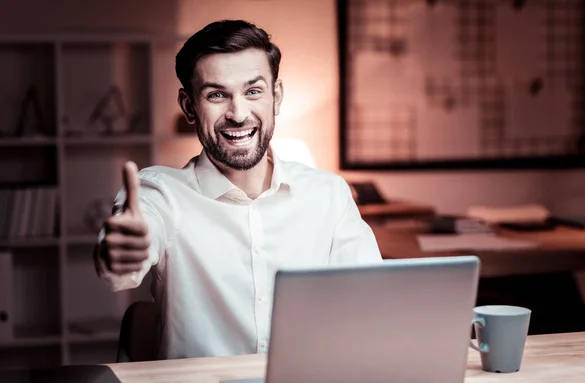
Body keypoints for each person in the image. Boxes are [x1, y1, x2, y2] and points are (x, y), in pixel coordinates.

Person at [93, 19, 382, 360]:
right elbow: (125, 262)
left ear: (276, 97)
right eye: (217, 95)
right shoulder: (159, 194)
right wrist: (122, 253)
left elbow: (373, 302)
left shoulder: (328, 194)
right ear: (189, 106)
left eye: (253, 91)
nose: (238, 113)